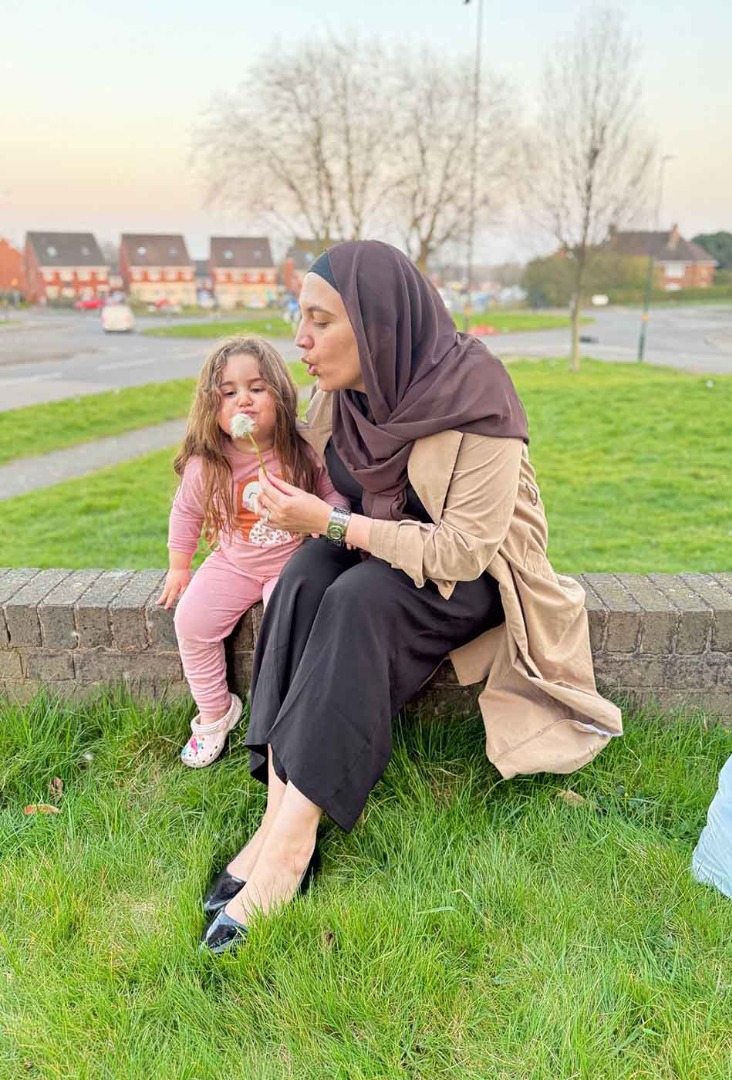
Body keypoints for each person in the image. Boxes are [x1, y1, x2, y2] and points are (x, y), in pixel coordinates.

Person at [200, 241, 623, 954]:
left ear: (378, 323)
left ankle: (293, 846)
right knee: (305, 576)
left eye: (320, 321)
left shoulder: (478, 395)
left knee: (360, 598)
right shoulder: (349, 395)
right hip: (386, 539)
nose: (300, 339)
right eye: (298, 318)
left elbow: (465, 550)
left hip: (471, 577)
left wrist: (333, 523)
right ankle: (274, 813)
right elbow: (322, 481)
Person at [157, 335, 346, 768]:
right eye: (229, 392)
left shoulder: (301, 448)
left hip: (293, 563)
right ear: (212, 406)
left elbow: (332, 494)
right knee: (192, 620)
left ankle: (287, 716)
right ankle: (215, 711)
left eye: (257, 389)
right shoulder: (209, 462)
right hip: (234, 561)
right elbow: (185, 514)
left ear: (279, 394)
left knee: (284, 633)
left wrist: (328, 520)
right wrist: (179, 567)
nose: (244, 400)